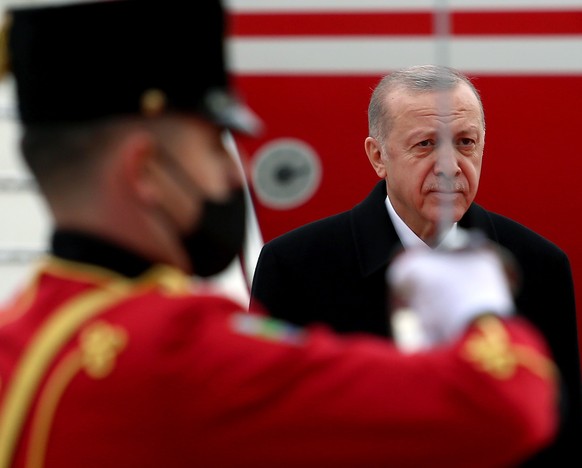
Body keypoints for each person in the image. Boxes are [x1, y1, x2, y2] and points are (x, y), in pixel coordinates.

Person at [0, 2, 559, 467]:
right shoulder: (187, 357)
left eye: (467, 142)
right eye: (213, 143)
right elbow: (502, 404)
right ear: (144, 169)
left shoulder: (20, 335)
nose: (228, 174)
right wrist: (479, 312)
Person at [250, 65, 582, 466]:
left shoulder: (538, 264)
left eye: (465, 142)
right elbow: (270, 431)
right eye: (425, 144)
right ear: (378, 157)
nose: (449, 165)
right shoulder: (295, 265)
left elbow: (558, 433)